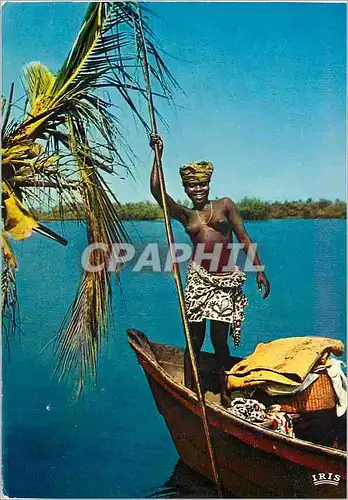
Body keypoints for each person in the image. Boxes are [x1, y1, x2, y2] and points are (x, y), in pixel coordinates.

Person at [150, 134, 270, 391]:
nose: (198, 190)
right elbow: (157, 191)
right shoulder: (186, 214)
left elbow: (244, 238)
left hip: (225, 282)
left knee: (219, 341)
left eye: (202, 185)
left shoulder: (225, 206)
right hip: (199, 280)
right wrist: (158, 155)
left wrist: (259, 270)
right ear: (186, 189)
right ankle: (192, 391)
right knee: (194, 339)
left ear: (209, 184)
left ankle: (225, 392)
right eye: (192, 186)